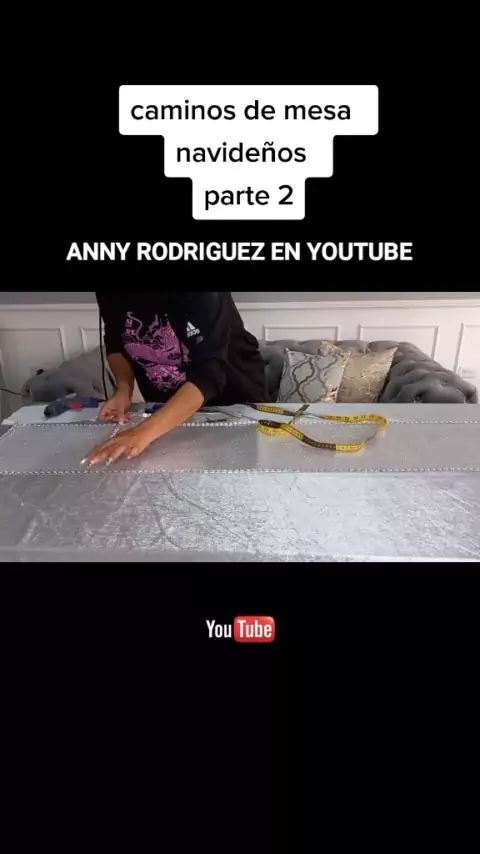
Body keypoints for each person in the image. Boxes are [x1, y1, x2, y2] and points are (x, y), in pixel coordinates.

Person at [84, 291, 268, 465]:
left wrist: (141, 433)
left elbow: (210, 374)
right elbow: (116, 342)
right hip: (169, 415)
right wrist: (124, 389)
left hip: (234, 405)